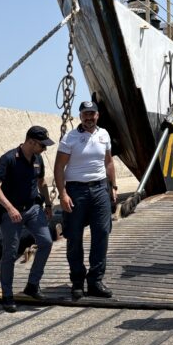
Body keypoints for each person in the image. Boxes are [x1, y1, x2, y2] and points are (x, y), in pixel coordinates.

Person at [0, 126, 55, 313]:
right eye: (42, 145)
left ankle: (32, 285)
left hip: (33, 209)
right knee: (10, 253)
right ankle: (7, 295)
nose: (45, 149)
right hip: (12, 212)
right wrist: (9, 208)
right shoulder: (9, 159)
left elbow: (41, 183)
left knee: (46, 242)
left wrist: (48, 205)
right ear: (31, 142)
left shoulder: (38, 159)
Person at [54, 100, 117, 300]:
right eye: (85, 114)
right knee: (74, 237)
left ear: (97, 115)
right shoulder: (70, 138)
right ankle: (77, 282)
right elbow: (58, 167)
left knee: (101, 234)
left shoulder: (104, 134)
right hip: (76, 191)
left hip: (100, 189)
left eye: (92, 114)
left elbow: (108, 162)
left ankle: (96, 281)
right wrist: (63, 194)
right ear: (80, 116)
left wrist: (113, 186)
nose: (89, 118)